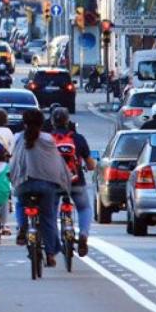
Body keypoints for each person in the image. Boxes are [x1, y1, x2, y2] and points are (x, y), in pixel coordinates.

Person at [10, 110, 72, 265]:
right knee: (48, 217)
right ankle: (50, 254)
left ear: (24, 123)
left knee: (20, 204)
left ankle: (22, 227)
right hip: (46, 184)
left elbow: (14, 159)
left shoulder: (18, 138)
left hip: (24, 183)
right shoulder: (48, 139)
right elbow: (56, 162)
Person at [48, 107, 95, 257]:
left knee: (50, 212)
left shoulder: (47, 139)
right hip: (76, 182)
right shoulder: (78, 139)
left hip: (54, 183)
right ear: (68, 121)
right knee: (84, 208)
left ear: (52, 122)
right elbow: (90, 165)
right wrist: (88, 166)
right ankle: (83, 235)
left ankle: (53, 242)